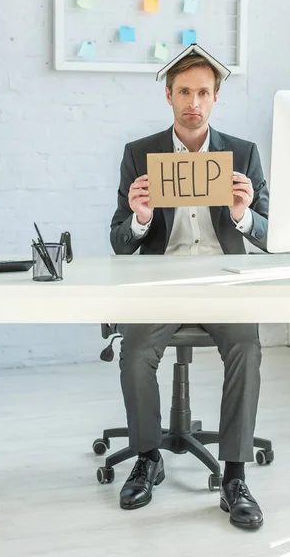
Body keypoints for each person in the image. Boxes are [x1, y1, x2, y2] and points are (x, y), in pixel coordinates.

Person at [110, 45, 269, 530]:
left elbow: (272, 232)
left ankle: (235, 476)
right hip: (162, 281)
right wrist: (139, 219)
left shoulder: (242, 153)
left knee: (246, 347)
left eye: (203, 92)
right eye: (184, 91)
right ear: (169, 95)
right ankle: (147, 457)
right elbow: (118, 242)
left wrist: (244, 215)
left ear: (215, 97)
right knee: (135, 352)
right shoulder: (139, 154)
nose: (193, 102)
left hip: (223, 283)